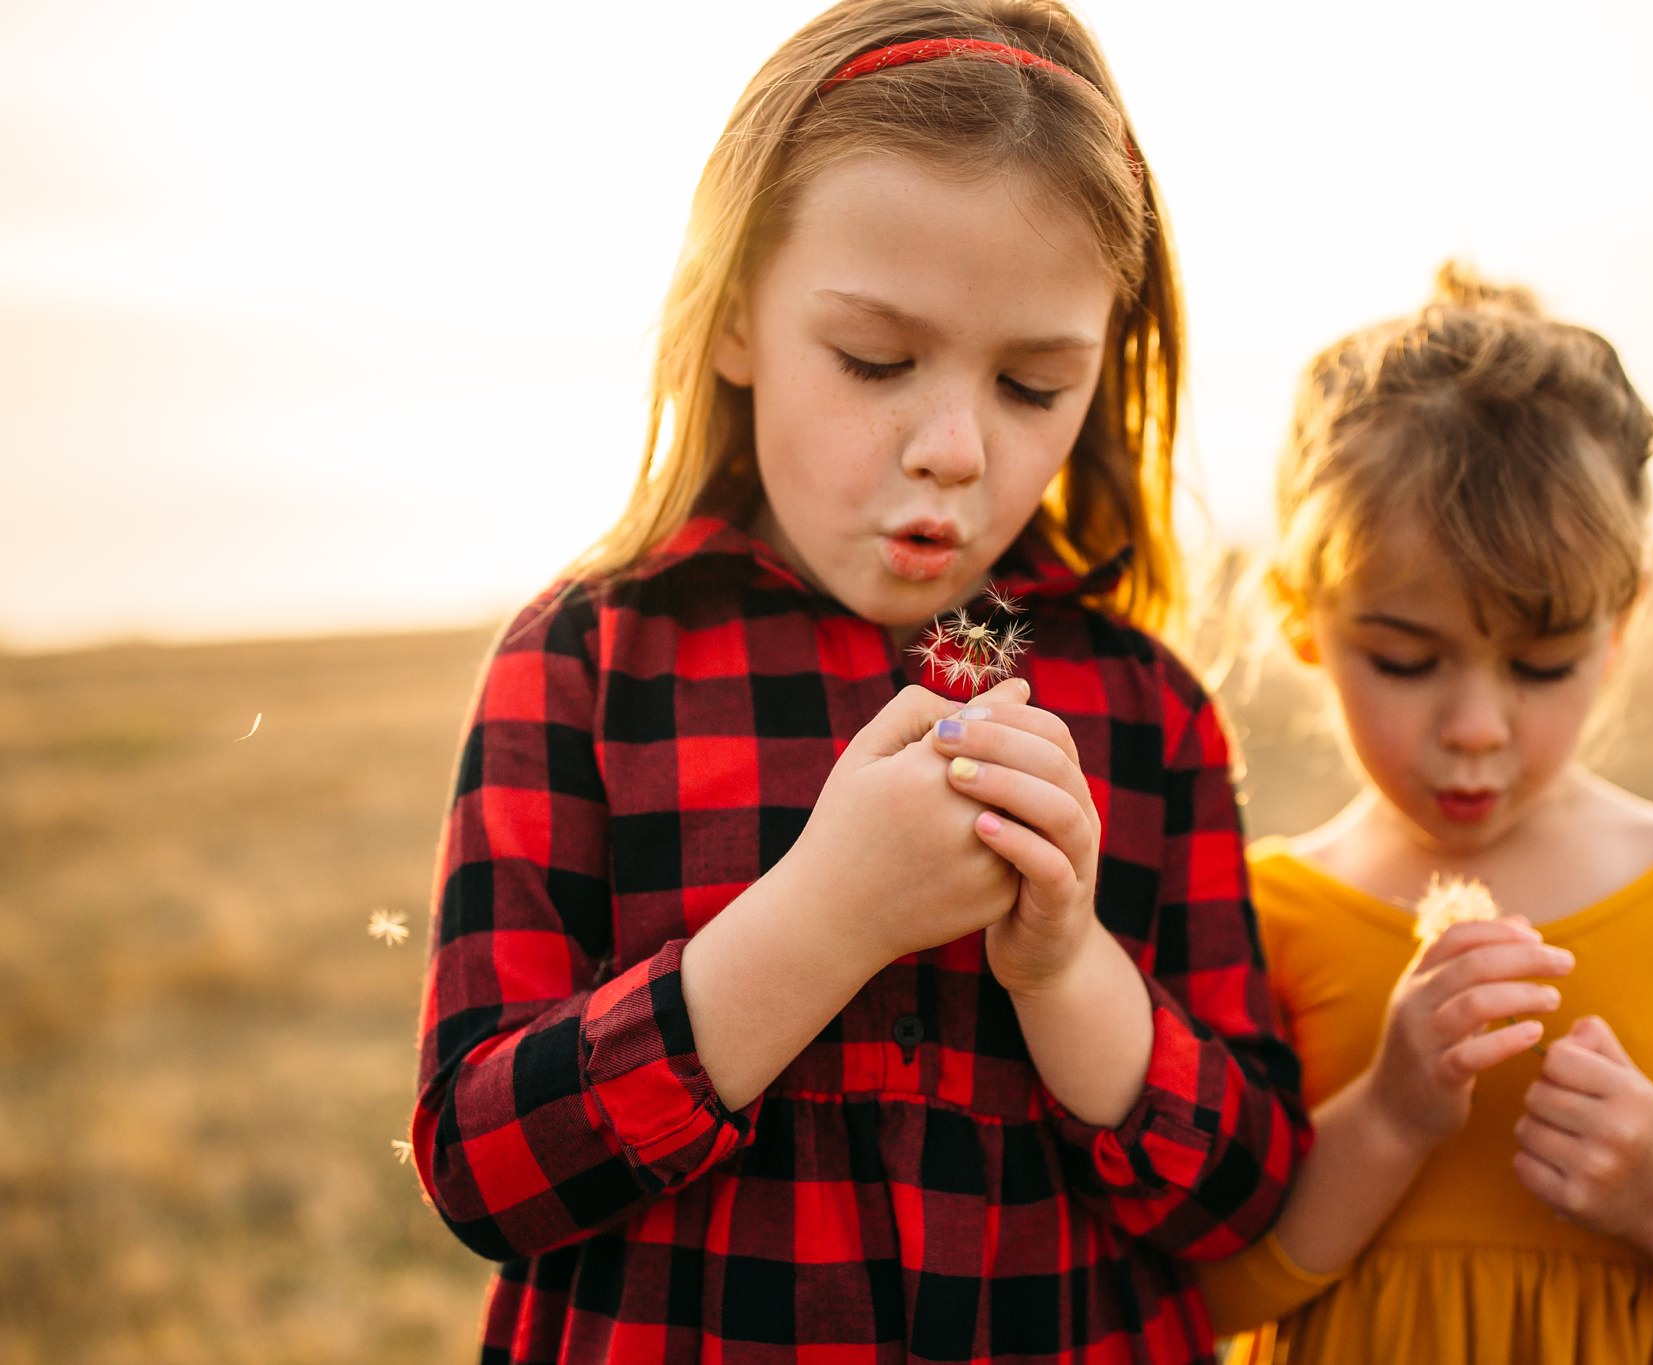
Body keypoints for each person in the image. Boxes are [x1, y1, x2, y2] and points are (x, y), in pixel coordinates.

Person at [409, 3, 1307, 1362]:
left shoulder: (1147, 710)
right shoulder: (587, 666)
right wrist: (823, 921)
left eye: (1032, 384)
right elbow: (485, 1165)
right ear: (731, 319)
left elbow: (1241, 1196)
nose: (953, 446)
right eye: (877, 360)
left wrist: (1067, 968)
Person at [1194, 265, 1653, 1364]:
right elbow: (1204, 1293)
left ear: (1619, 627)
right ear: (1300, 618)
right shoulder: (1255, 909)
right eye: (1403, 659)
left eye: (1539, 667)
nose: (1475, 725)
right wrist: (1385, 1119)